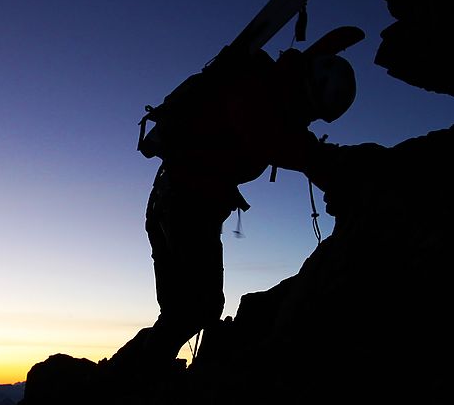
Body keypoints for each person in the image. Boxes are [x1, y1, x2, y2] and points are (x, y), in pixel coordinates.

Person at [113, 31, 361, 370]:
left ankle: (135, 379)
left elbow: (291, 139)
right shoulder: (262, 103)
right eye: (313, 112)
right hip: (186, 210)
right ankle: (140, 384)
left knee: (181, 311)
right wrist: (334, 170)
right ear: (310, 95)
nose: (310, 120)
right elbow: (287, 144)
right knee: (199, 307)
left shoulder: (269, 92)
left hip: (167, 204)